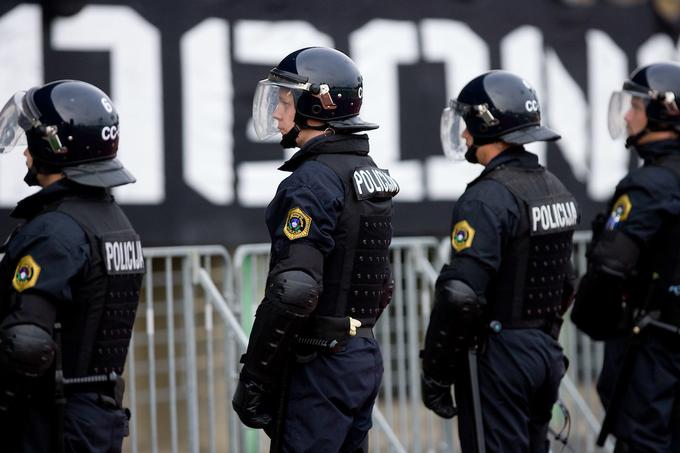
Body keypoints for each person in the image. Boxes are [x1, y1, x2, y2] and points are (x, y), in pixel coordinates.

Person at [231, 46, 398, 452]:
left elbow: (295, 290)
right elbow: (382, 284)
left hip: (320, 365)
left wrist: (256, 375)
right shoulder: (367, 172)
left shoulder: (312, 181)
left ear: (315, 104)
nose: (276, 114)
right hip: (360, 356)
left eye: (285, 101)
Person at [421, 70, 579, 452]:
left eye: (468, 124)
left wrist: (436, 372)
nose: (463, 135)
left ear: (486, 123)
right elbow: (567, 283)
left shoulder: (486, 198)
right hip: (544, 350)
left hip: (498, 356)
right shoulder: (554, 187)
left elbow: (460, 296)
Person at [0, 80, 144, 452]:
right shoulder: (114, 222)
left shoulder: (56, 229)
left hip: (50, 422)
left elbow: (26, 343)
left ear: (54, 144)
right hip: (96, 417)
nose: (25, 153)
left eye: (32, 139)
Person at [571, 62, 680, 452]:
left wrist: (597, 320)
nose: (628, 115)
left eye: (635, 105)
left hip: (654, 352)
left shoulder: (648, 188)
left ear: (663, 111)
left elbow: (610, 267)